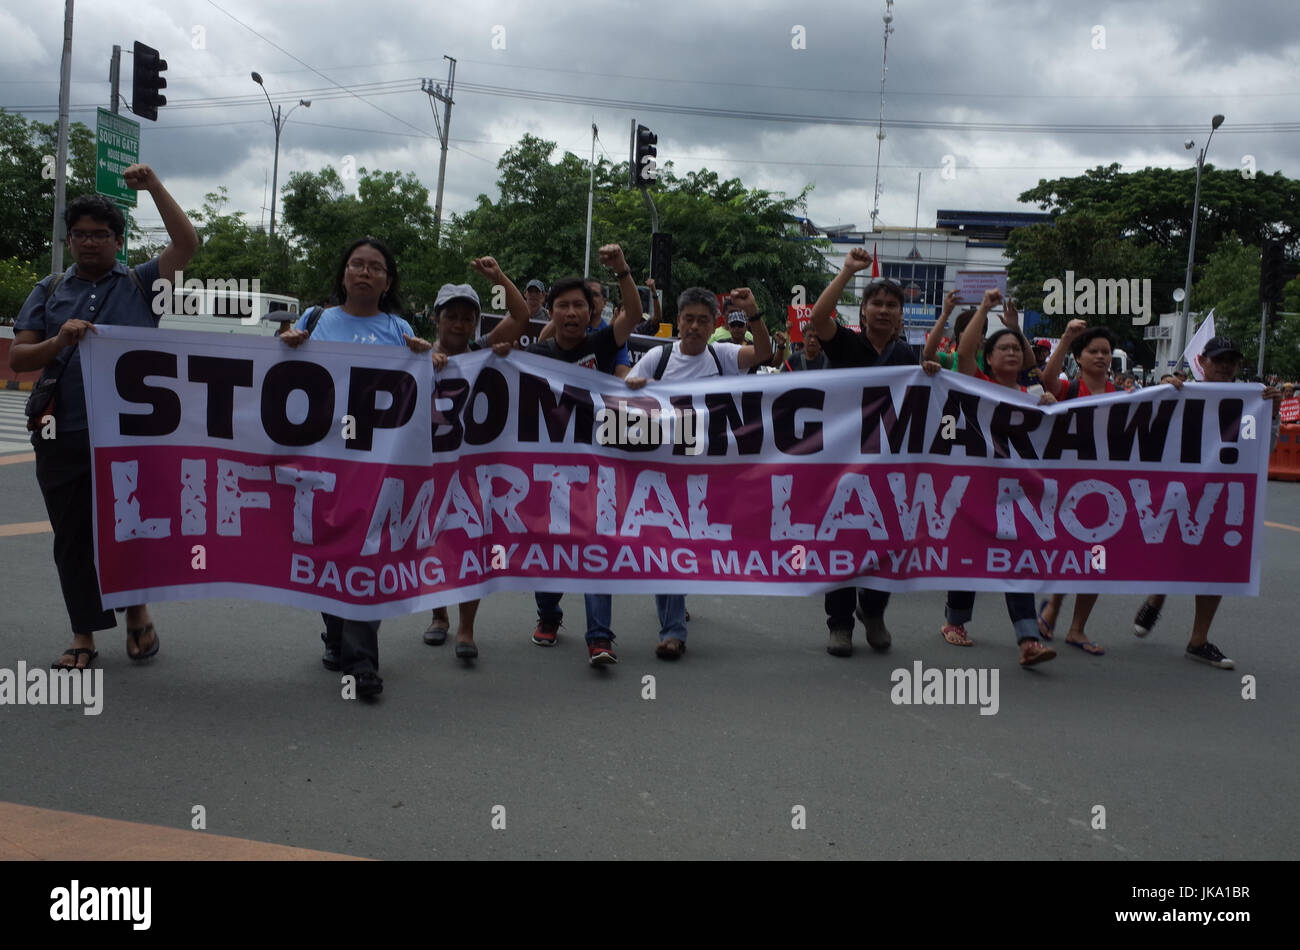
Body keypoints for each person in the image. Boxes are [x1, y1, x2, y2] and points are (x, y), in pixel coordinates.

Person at [10, 168, 199, 671]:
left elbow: (187, 243)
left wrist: (156, 185)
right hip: (63, 434)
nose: (89, 242)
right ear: (69, 239)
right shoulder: (49, 290)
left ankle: (137, 612)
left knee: (130, 531)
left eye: (100, 234)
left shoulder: (144, 284)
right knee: (72, 537)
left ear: (119, 240)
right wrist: (58, 341)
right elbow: (21, 360)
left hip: (131, 439)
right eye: (80, 234)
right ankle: (83, 635)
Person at [279, 237, 434, 699]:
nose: (365, 273)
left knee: (368, 550)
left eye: (375, 268)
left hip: (376, 463)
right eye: (357, 265)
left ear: (388, 281)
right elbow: (271, 382)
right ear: (343, 274)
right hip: (322, 459)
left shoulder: (399, 329)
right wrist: (285, 346)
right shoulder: (314, 321)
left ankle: (363, 662)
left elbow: (418, 391)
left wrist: (428, 360)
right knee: (328, 547)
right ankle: (335, 632)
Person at [624, 286, 772, 659]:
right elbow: (622, 389)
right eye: (688, 319)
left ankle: (678, 589)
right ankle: (673, 629)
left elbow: (765, 353)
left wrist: (754, 314)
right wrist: (633, 385)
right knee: (667, 541)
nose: (693, 326)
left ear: (713, 325)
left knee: (692, 541)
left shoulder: (722, 356)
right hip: (663, 470)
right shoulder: (657, 359)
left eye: (702, 320)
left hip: (710, 472)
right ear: (679, 322)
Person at [1131, 337, 1283, 669]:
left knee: (1218, 560)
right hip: (1179, 489)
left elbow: (1260, 447)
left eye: (1232, 360)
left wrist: (1271, 414)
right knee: (1174, 547)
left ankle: (1198, 639)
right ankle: (1158, 595)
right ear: (1204, 361)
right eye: (1219, 359)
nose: (1226, 365)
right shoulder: (1180, 391)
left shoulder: (1249, 400)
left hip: (1225, 492)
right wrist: (1163, 389)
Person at [524, 244, 644, 665]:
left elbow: (633, 315)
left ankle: (600, 637)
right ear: (551, 312)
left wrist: (622, 271)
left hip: (602, 468)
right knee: (552, 547)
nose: (571, 313)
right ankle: (549, 615)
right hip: (551, 471)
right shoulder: (535, 356)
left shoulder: (604, 343)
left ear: (590, 311)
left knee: (598, 548)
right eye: (563, 306)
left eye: (579, 305)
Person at [806, 248, 927, 656]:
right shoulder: (844, 346)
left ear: (900, 316)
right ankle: (839, 625)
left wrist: (930, 376)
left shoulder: (907, 358)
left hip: (890, 471)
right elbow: (819, 319)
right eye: (876, 302)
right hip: (840, 466)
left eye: (892, 305)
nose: (884, 310)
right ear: (862, 312)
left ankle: (872, 611)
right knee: (841, 543)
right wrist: (847, 272)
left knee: (887, 544)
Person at [421, 257, 533, 659]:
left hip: (475, 471)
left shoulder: (486, 352)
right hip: (430, 468)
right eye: (451, 316)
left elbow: (522, 315)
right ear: (437, 319)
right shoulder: (414, 357)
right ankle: (439, 617)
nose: (460, 325)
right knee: (433, 540)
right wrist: (421, 363)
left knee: (472, 542)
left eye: (468, 318)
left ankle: (467, 629)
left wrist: (500, 277)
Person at [943, 287, 1058, 667]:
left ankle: (1028, 639)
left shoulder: (1035, 396)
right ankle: (955, 621)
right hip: (975, 487)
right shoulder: (977, 385)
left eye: (1015, 348)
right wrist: (984, 308)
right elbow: (962, 353)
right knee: (970, 554)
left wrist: (1050, 408)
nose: (1010, 353)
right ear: (988, 359)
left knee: (1017, 558)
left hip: (1017, 493)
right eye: (1002, 348)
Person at [1034, 320, 1120, 654]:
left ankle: (1077, 628)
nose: (1101, 357)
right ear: (1079, 357)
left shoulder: (1125, 395)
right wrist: (1067, 336)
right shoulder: (1068, 389)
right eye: (1093, 351)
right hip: (1065, 488)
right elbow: (1046, 380)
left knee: (1097, 559)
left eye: (1106, 352)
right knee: (1069, 554)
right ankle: (1054, 606)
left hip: (1106, 490)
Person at [537, 277, 635, 377]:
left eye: (595, 295)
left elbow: (622, 372)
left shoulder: (610, 337)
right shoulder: (555, 334)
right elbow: (540, 346)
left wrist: (630, 384)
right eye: (563, 305)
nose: (591, 299)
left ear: (604, 302)